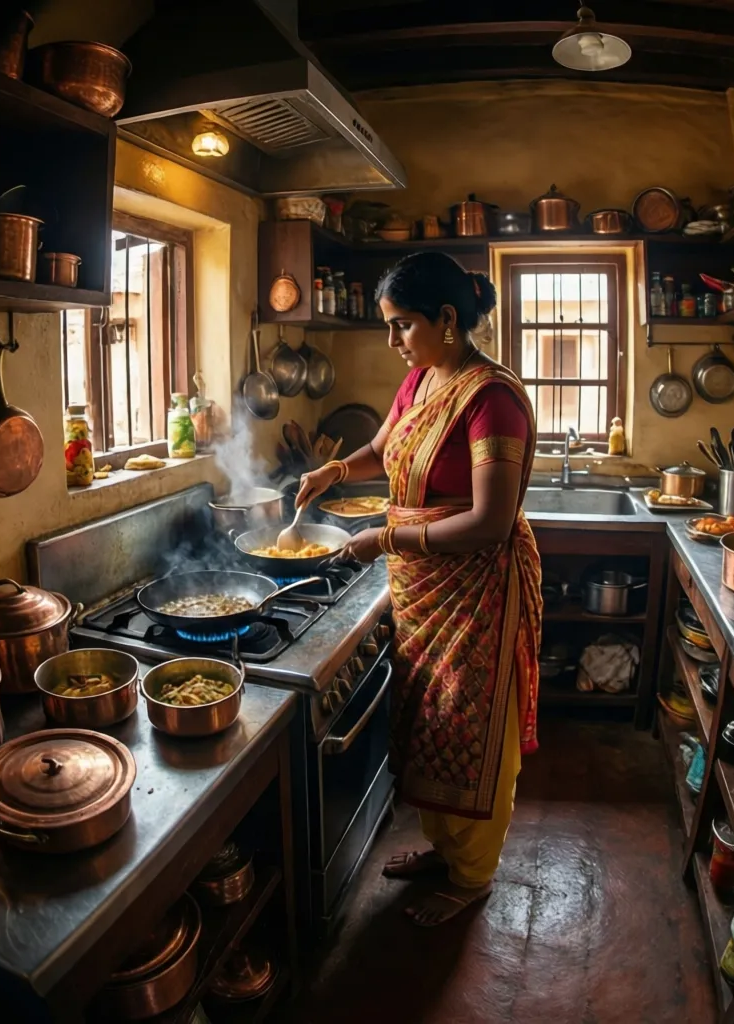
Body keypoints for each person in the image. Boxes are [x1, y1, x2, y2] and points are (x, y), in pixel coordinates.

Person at [296, 251, 543, 927]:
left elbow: (490, 523)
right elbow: (383, 451)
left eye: (402, 324)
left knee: (470, 731)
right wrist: (332, 472)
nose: (392, 341)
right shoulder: (421, 380)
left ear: (447, 319)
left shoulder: (491, 400)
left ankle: (474, 876)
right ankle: (445, 850)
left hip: (477, 591)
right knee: (430, 723)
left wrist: (385, 539)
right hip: (422, 587)